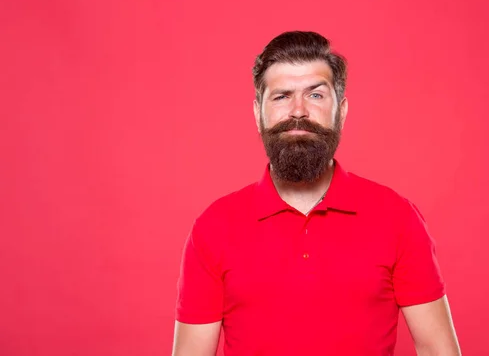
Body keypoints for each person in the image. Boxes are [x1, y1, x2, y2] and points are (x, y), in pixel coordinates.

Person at [172, 31, 461, 356]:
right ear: (257, 113)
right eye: (281, 96)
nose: (298, 111)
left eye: (316, 95)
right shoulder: (213, 227)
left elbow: (440, 351)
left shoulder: (397, 217)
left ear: (342, 110)